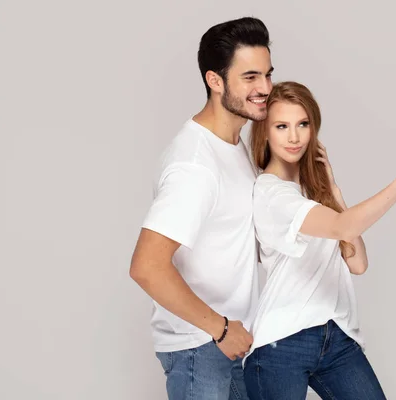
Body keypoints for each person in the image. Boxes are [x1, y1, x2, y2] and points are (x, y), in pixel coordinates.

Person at [243, 81, 396, 399]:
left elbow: (357, 263)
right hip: (281, 343)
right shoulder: (270, 192)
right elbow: (341, 227)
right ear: (265, 132)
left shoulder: (311, 192)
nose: (294, 136)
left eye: (302, 124)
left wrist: (331, 189)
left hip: (335, 336)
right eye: (281, 126)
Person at [129, 17, 274, 400]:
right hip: (203, 347)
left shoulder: (233, 145)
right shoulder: (195, 165)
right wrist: (221, 329)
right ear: (215, 80)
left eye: (267, 74)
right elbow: (147, 266)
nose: (265, 89)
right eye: (250, 77)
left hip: (232, 344)